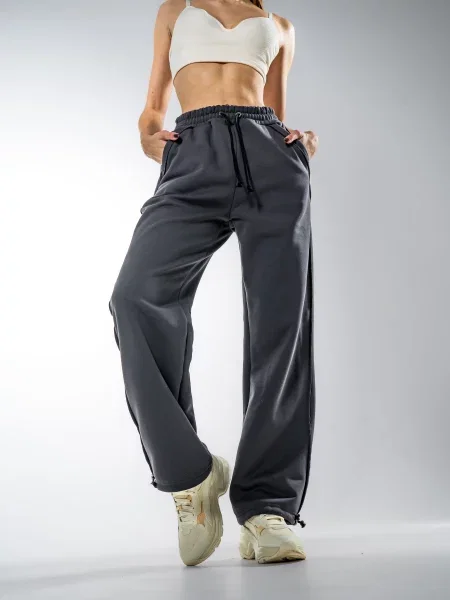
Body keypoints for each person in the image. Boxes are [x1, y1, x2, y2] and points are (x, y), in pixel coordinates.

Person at [108, 0, 319, 567]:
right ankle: (189, 472)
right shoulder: (175, 10)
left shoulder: (280, 27)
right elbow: (152, 111)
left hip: (271, 164)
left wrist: (299, 145)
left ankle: (268, 510)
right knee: (135, 297)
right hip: (192, 159)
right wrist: (152, 139)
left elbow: (276, 113)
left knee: (281, 328)